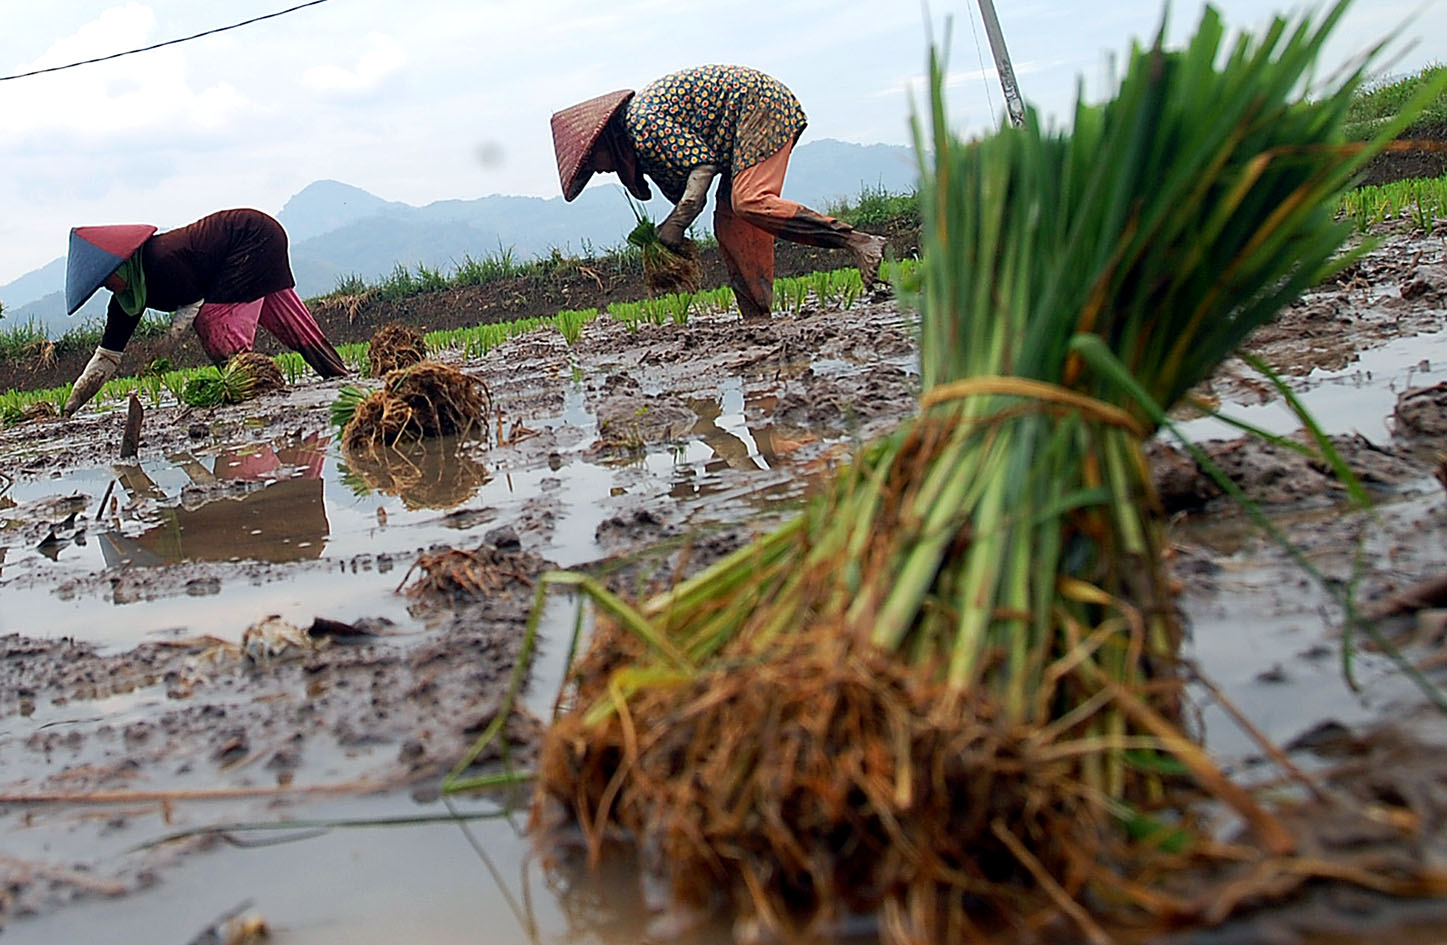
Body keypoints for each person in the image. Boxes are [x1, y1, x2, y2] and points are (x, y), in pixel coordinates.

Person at [550, 64, 888, 320]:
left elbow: (700, 170)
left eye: (595, 163)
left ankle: (859, 242)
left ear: (604, 140)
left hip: (759, 106)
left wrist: (675, 226)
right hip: (732, 140)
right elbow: (687, 184)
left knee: (749, 201)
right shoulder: (641, 140)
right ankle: (757, 316)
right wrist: (670, 248)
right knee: (730, 223)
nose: (602, 170)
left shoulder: (641, 123)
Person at [61, 208, 348, 417]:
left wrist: (167, 344)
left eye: (108, 278)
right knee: (290, 321)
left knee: (213, 320)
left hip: (252, 236)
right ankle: (336, 372)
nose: (109, 286)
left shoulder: (160, 259)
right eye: (102, 285)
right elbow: (106, 357)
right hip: (253, 242)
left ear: (121, 264)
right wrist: (70, 407)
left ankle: (248, 388)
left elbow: (193, 303)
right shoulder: (126, 299)